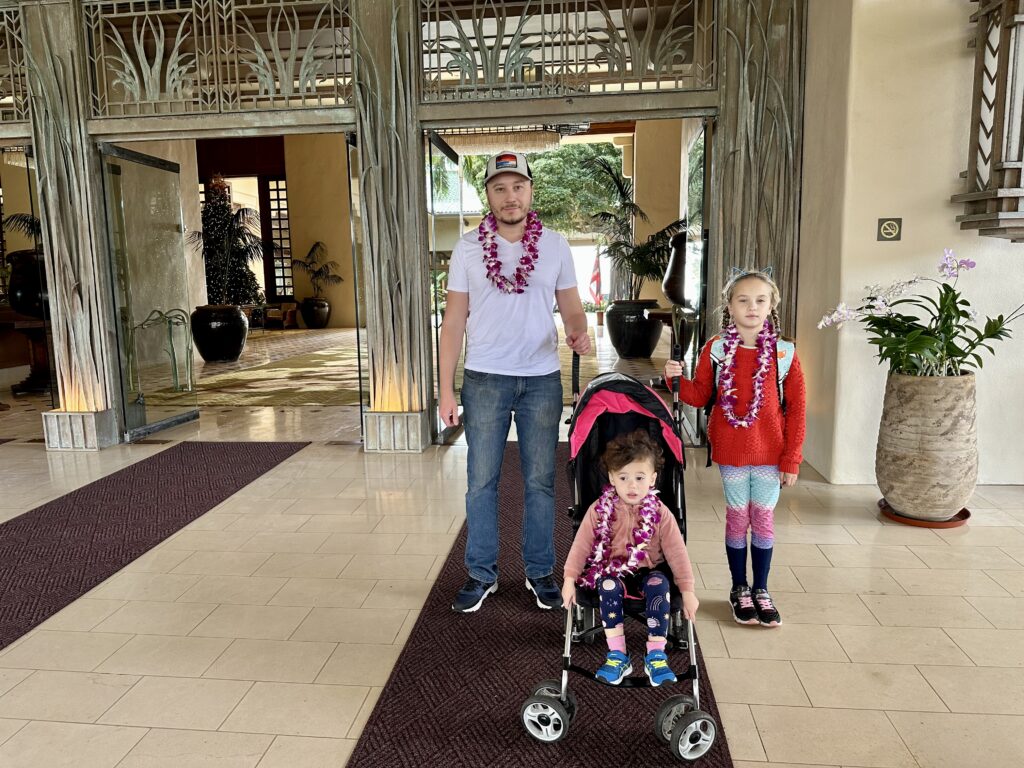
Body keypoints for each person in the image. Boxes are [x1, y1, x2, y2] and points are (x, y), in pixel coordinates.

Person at [440, 150, 591, 614]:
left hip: (542, 378)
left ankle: (539, 571)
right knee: (480, 481)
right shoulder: (467, 248)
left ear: (530, 190)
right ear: (488, 194)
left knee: (541, 482)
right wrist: (445, 388)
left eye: (518, 186)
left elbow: (571, 306)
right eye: (500, 188)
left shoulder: (556, 246)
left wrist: (579, 331)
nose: (510, 196)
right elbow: (453, 321)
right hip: (484, 377)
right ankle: (481, 573)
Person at [664, 269, 806, 628]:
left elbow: (798, 409)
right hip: (731, 451)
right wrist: (675, 377)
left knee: (763, 518)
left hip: (771, 454)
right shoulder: (717, 348)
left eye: (760, 300)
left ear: (772, 304)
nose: (752, 307)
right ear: (729, 306)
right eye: (743, 300)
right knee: (737, 517)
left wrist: (791, 458)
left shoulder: (784, 352)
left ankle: (761, 589)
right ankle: (738, 588)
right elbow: (699, 395)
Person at [561, 429, 699, 687]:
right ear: (612, 478)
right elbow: (581, 546)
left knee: (659, 585)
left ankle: (656, 654)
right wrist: (570, 578)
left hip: (650, 572)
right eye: (623, 477)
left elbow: (677, 553)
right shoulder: (599, 510)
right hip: (613, 572)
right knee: (608, 585)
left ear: (653, 479)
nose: (632, 485)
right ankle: (617, 655)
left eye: (639, 477)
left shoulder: (660, 513)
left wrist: (688, 591)